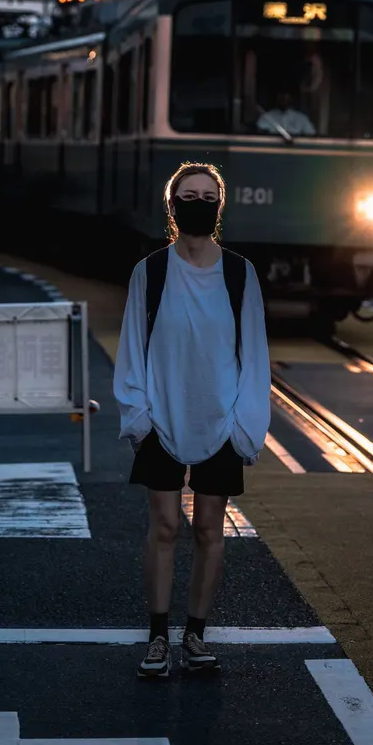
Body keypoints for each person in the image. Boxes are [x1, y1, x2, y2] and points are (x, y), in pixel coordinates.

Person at [113, 161, 272, 680]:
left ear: (219, 206)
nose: (197, 202)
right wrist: (138, 416)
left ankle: (196, 633)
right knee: (163, 525)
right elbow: (133, 350)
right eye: (189, 195)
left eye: (208, 196)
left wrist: (245, 424)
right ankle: (158, 636)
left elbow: (254, 357)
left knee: (209, 528)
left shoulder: (238, 273)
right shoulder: (150, 271)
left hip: (222, 419)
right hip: (160, 417)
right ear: (172, 205)